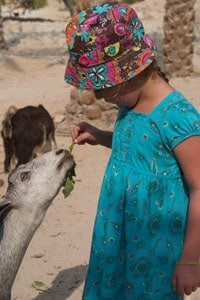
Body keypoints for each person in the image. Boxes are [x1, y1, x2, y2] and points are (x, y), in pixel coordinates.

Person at [64, 2, 200, 299]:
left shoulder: (180, 118)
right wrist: (99, 136)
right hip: (117, 238)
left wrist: (191, 260)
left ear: (131, 73)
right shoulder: (131, 103)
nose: (99, 95)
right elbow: (141, 150)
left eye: (105, 87)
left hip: (153, 252)